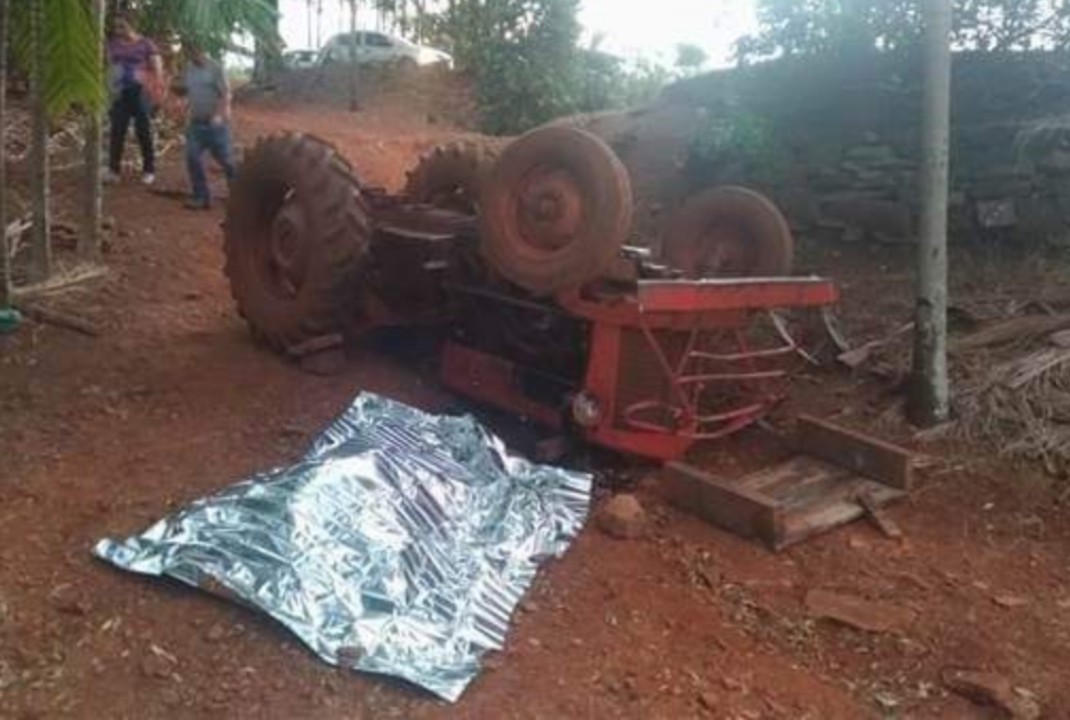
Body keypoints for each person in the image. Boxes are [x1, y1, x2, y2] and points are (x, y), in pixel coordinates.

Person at [175, 41, 235, 211]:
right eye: (190, 51)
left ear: (203, 49)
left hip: (215, 124)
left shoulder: (216, 68)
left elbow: (226, 95)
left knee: (227, 161)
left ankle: (239, 194)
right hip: (196, 123)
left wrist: (219, 115)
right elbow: (186, 91)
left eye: (195, 50)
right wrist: (180, 104)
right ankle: (201, 197)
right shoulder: (189, 69)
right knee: (192, 157)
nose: (194, 54)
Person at [104, 16, 162, 185]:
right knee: (117, 130)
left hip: (140, 92)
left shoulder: (146, 44)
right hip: (120, 92)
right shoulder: (113, 44)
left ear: (132, 25)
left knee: (143, 130)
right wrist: (110, 89)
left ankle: (149, 169)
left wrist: (155, 89)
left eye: (122, 26)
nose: (118, 31)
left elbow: (157, 68)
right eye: (116, 27)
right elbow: (110, 66)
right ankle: (113, 171)